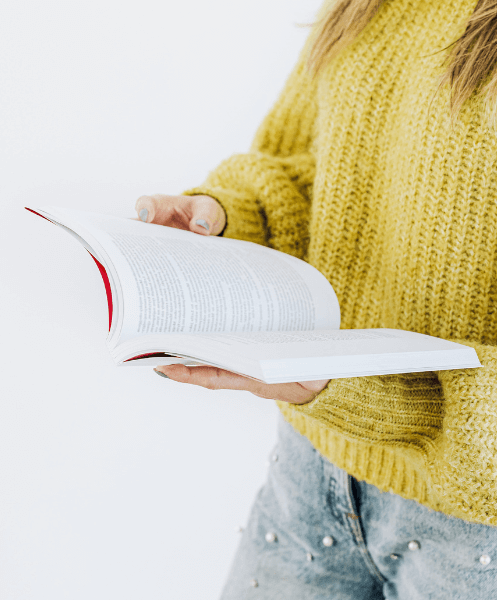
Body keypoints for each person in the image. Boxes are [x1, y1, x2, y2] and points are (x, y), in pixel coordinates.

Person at [136, 0, 497, 598]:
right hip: (312, 467)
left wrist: (384, 399)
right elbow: (328, 167)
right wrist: (233, 218)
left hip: (475, 530)